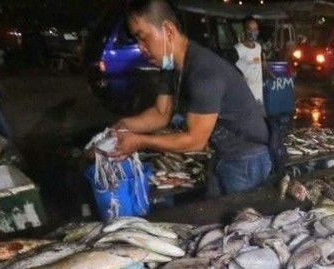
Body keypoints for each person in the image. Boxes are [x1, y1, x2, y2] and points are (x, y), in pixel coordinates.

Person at [111, 0, 271, 195]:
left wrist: (139, 141)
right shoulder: (170, 65)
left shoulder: (203, 71)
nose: (141, 47)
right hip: (222, 153)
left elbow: (196, 141)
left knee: (242, 222)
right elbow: (161, 113)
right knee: (215, 217)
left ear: (168, 30)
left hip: (247, 159)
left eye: (143, 37)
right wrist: (121, 126)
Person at [233, 16, 265, 106]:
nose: (252, 32)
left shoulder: (258, 47)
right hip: (244, 98)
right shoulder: (239, 49)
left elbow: (258, 65)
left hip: (258, 98)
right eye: (249, 29)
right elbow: (226, 64)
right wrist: (240, 73)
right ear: (244, 30)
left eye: (255, 29)